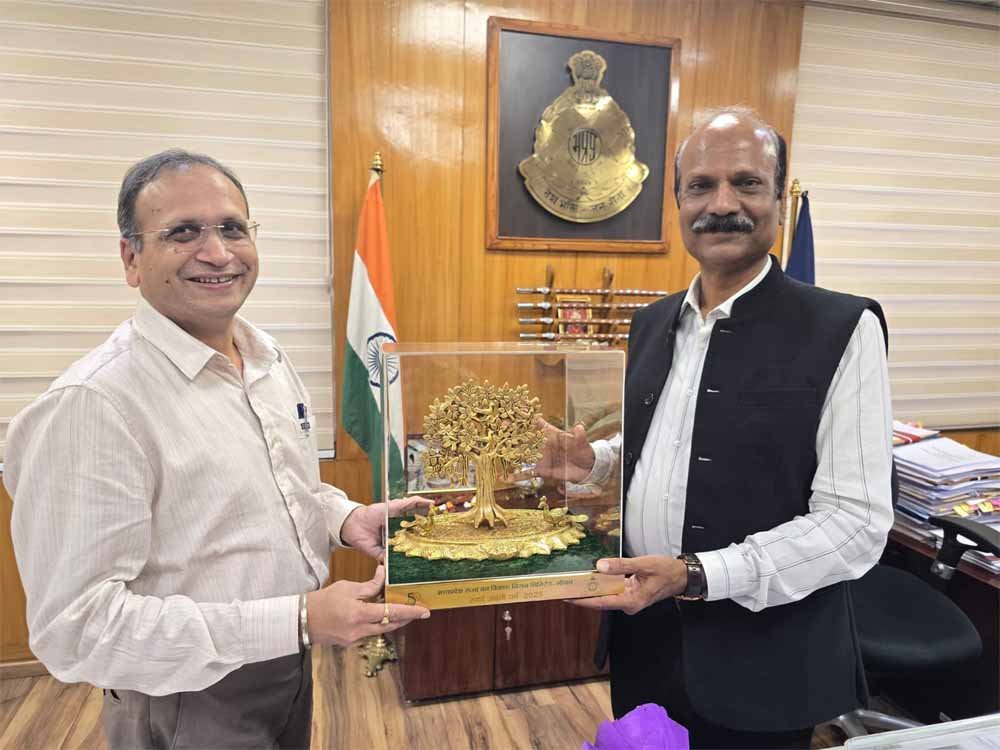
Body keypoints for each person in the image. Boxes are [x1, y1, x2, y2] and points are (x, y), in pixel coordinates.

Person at [4, 149, 431, 749]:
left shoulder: (267, 359)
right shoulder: (92, 405)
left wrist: (344, 518)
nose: (218, 252)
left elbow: (276, 491)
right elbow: (76, 629)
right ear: (131, 258)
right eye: (183, 232)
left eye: (233, 228)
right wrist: (299, 617)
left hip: (288, 665)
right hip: (184, 697)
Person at [539, 107, 894, 749]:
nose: (722, 204)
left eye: (746, 183)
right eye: (701, 185)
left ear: (779, 199)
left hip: (762, 664)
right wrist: (594, 461)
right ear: (678, 202)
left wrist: (697, 574)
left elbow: (855, 523)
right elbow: (671, 446)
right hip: (643, 637)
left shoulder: (843, 329)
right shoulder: (652, 323)